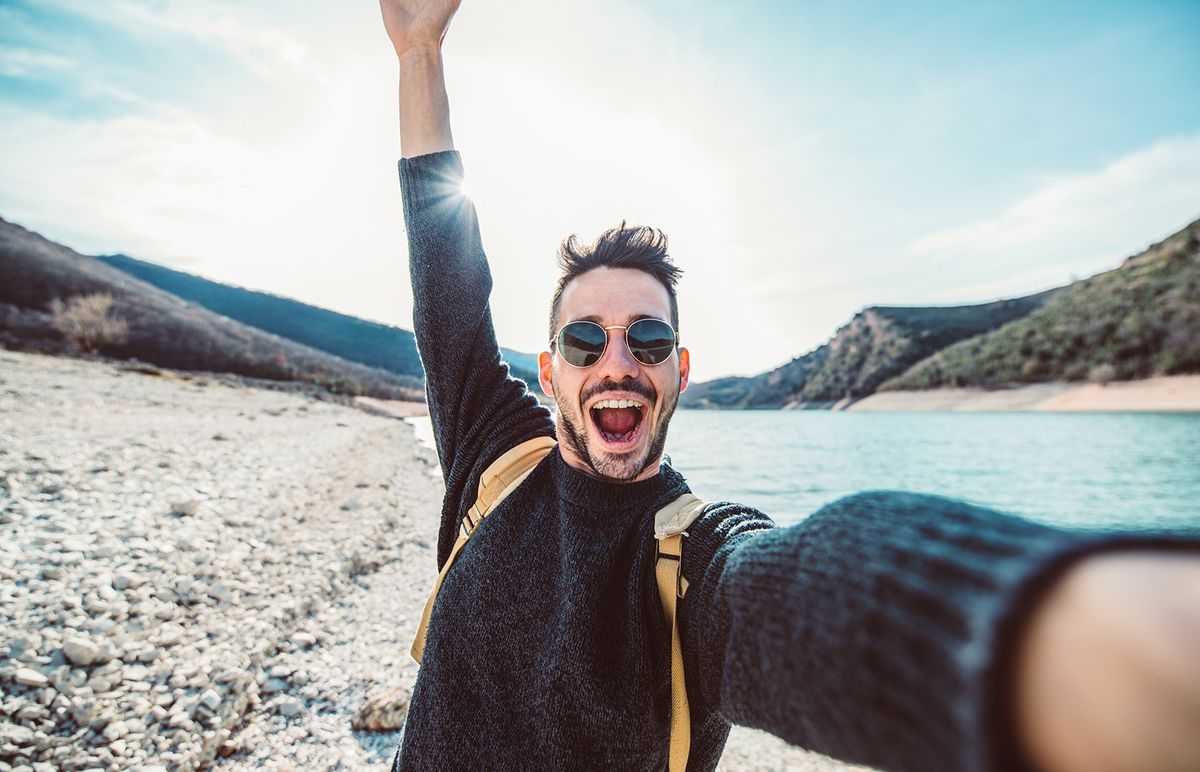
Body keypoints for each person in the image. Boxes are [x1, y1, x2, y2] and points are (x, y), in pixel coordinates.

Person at [378, 2, 1200, 770]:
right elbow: (443, 274)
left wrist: (1076, 632)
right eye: (586, 340)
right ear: (550, 369)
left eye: (650, 338)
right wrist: (420, 53)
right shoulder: (496, 448)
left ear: (679, 372)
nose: (617, 362)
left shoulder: (689, 558)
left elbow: (799, 593)